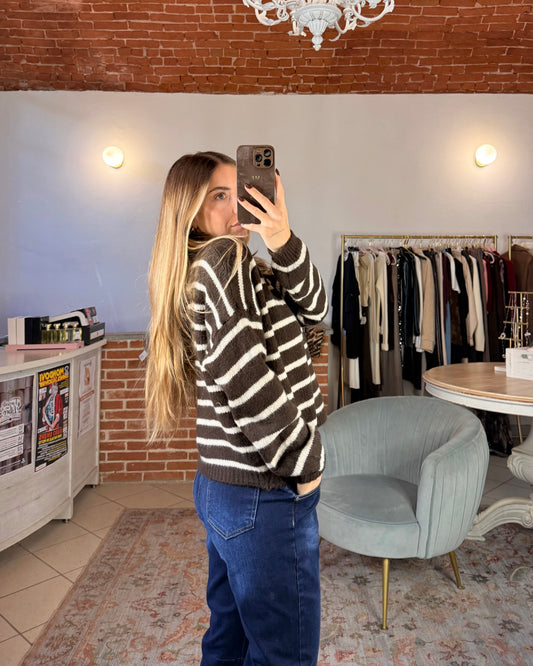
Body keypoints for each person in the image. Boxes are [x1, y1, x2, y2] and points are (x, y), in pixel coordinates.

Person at [145, 150, 328, 666]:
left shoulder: (244, 264)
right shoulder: (222, 262)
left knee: (229, 638)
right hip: (263, 487)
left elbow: (316, 307)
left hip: (227, 487)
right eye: (218, 196)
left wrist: (282, 238)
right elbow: (248, 382)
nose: (235, 208)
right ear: (189, 212)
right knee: (285, 654)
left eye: (240, 192)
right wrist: (305, 465)